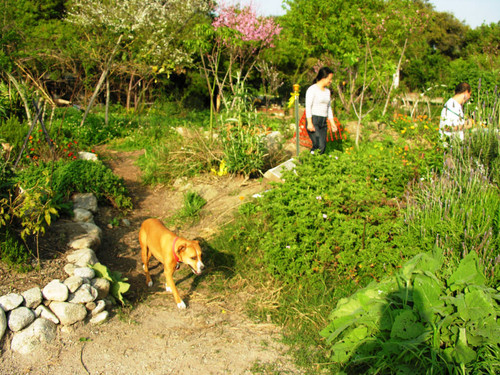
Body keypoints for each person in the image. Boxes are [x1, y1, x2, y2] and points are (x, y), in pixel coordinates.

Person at [305, 67, 337, 154]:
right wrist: (310, 123)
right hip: (314, 120)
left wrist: (332, 123)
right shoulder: (312, 89)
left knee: (323, 146)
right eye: (329, 79)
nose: (330, 81)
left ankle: (315, 164)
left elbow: (328, 107)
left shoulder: (327, 91)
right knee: (319, 145)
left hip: (323, 122)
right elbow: (308, 106)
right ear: (323, 78)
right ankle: (307, 163)